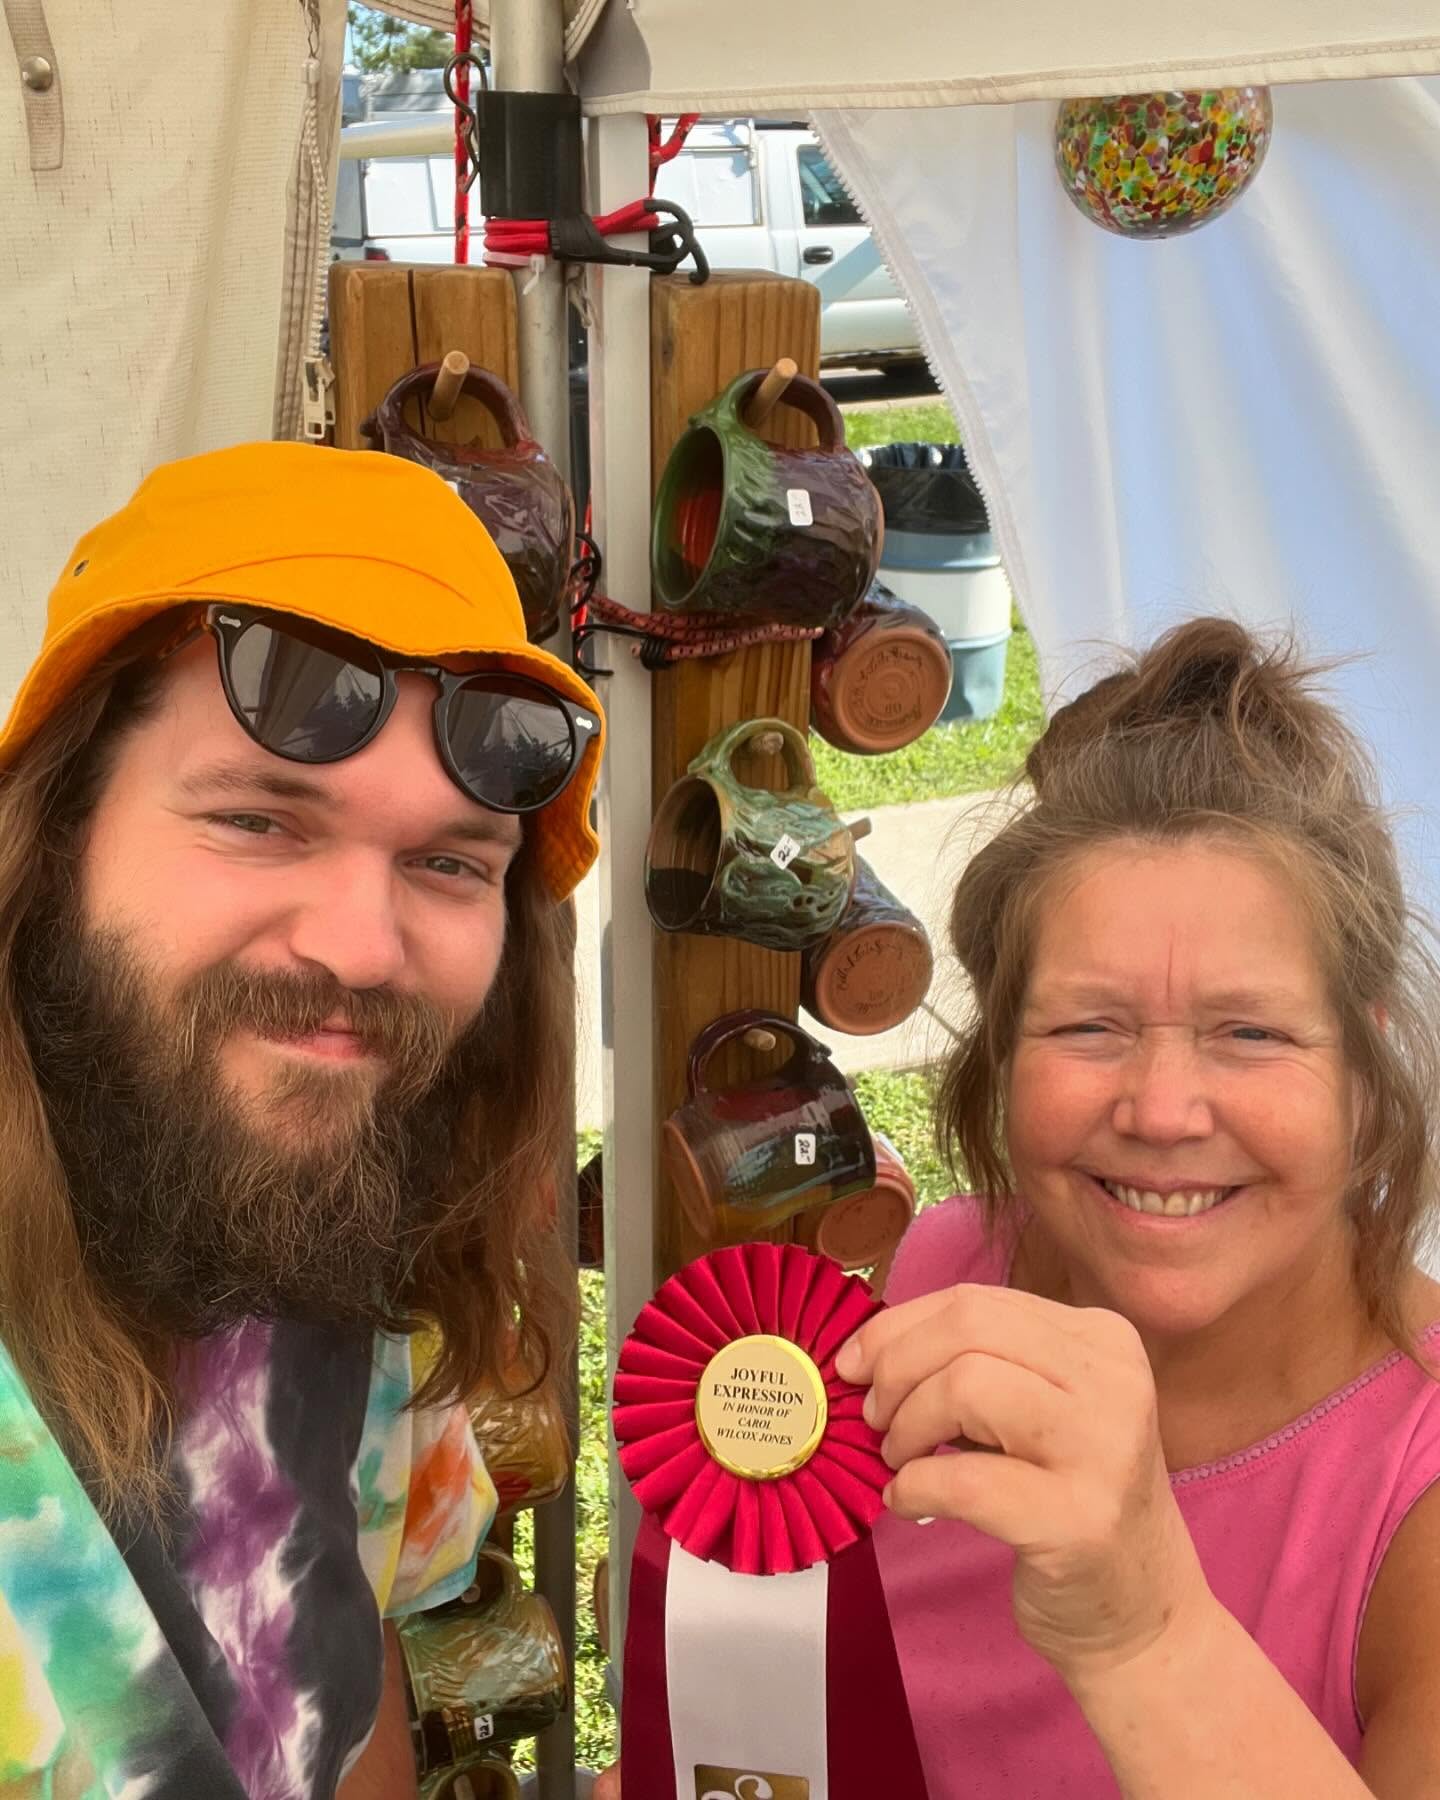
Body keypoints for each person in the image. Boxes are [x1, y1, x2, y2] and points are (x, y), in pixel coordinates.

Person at [598, 617, 1440, 1798]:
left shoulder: (1413, 1491)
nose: (1161, 1110)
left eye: (1250, 1033)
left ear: (1363, 1063)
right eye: (1088, 1027)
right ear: (1001, 1054)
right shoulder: (948, 1269)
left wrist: (1146, 1636)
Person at [0, 442, 604, 1799]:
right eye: (259, 822)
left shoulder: (337, 1236)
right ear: (52, 836)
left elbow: (340, 1679)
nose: (363, 949)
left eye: (448, 862)